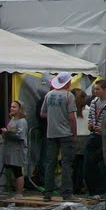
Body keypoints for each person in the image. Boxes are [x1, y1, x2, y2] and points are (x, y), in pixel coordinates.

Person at [39, 72, 78, 202]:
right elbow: (72, 117)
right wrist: (74, 133)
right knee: (67, 163)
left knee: (50, 163)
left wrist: (53, 116)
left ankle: (47, 192)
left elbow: (42, 113)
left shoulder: (48, 95)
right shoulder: (69, 96)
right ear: (67, 83)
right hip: (66, 133)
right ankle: (66, 193)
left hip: (51, 133)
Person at [2, 101, 29, 198]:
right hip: (9, 148)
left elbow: (20, 135)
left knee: (17, 171)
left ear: (19, 109)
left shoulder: (22, 121)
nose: (11, 108)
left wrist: (7, 133)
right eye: (11, 106)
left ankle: (19, 193)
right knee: (11, 169)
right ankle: (13, 190)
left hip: (18, 149)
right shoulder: (12, 120)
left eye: (14, 107)